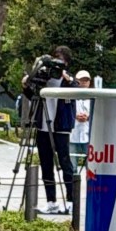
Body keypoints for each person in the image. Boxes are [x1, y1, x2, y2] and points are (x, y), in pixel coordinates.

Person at [22, 46, 79, 214]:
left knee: (65, 163)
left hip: (60, 126)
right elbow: (32, 95)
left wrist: (67, 77)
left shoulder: (68, 80)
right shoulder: (44, 77)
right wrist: (26, 84)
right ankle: (51, 201)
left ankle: (71, 200)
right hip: (43, 126)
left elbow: (76, 91)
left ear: (66, 63)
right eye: (55, 59)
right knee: (46, 164)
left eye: (60, 60)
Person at [70, 70, 91, 173]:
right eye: (81, 80)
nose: (83, 82)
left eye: (86, 80)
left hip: (88, 135)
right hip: (73, 134)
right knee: (72, 167)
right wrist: (75, 116)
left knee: (90, 166)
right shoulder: (70, 95)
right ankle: (73, 182)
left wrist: (89, 117)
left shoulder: (94, 96)